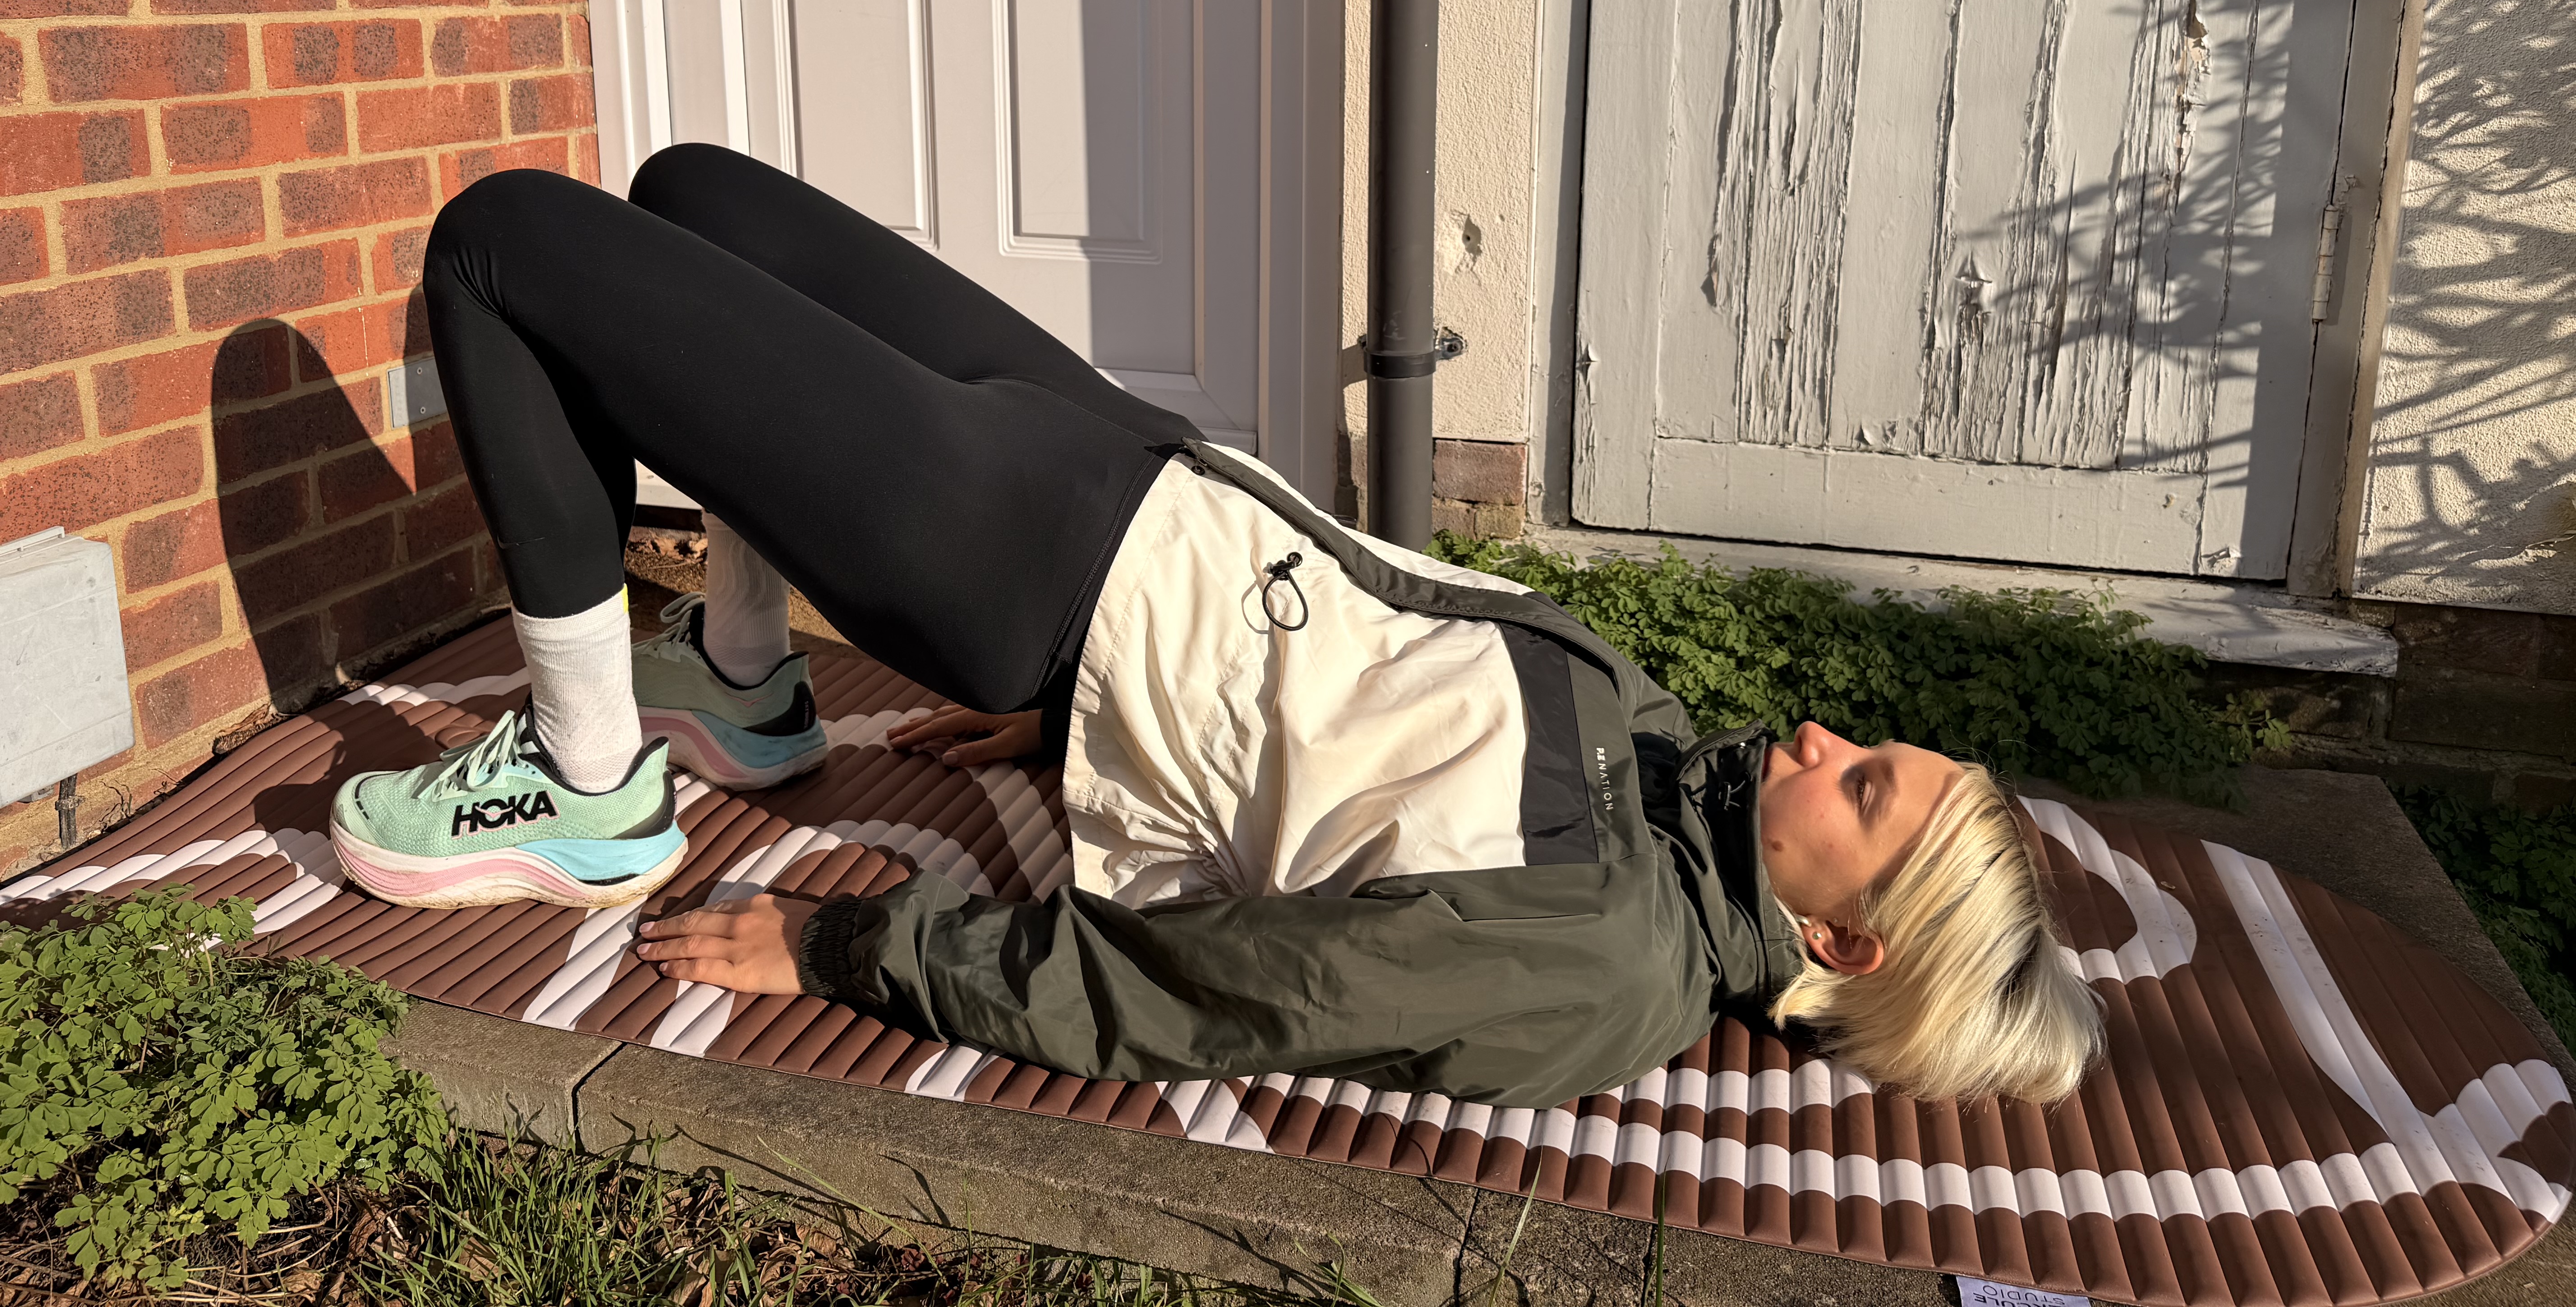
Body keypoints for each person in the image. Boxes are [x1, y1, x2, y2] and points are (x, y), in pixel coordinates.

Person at [329, 147, 2102, 1110]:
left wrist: (853, 948)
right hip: (1133, 469)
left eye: (1861, 786)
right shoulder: (1669, 759)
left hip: (1030, 572)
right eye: (1871, 748)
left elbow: (1224, 995)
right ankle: (742, 683)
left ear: (1845, 941)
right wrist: (1074, 736)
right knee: (692, 195)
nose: (1821, 738)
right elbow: (1355, 690)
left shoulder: (1600, 962)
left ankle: (588, 781)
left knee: (503, 241)